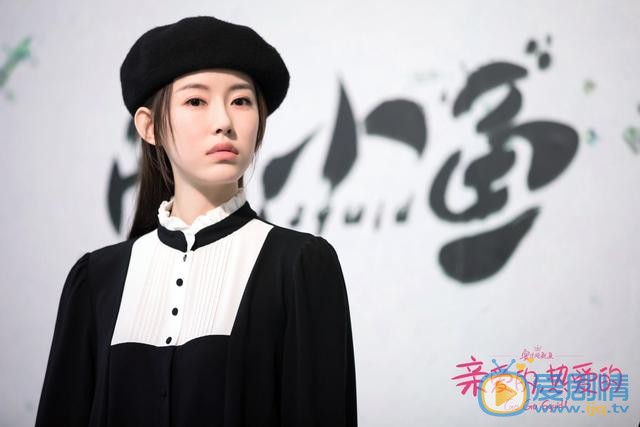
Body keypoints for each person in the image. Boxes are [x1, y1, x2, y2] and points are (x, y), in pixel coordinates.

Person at [35, 15, 357, 427]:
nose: (223, 121)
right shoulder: (97, 280)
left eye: (241, 101)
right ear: (148, 127)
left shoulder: (299, 266)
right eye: (196, 101)